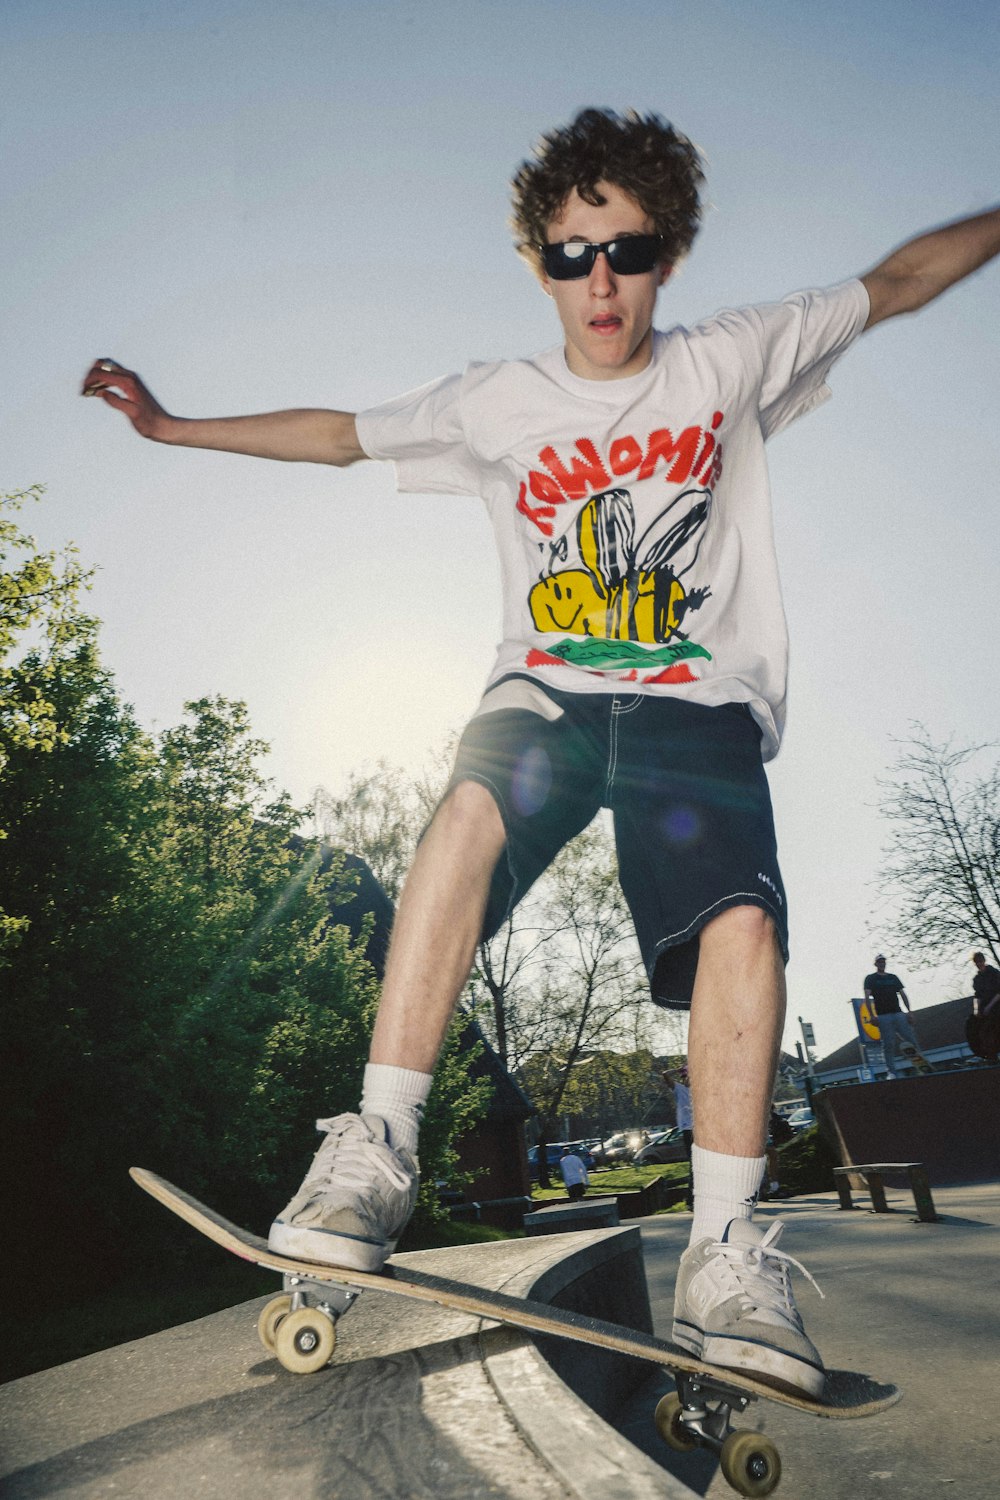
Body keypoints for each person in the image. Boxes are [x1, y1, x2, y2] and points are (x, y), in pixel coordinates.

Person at [81, 108, 1000, 1399]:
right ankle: (379, 1151)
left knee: (745, 926)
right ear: (541, 263)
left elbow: (898, 285)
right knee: (462, 815)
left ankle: (730, 1254)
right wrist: (175, 431)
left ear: (665, 252)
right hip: (550, 701)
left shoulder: (731, 359)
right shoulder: (496, 403)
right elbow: (343, 435)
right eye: (571, 257)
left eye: (623, 252)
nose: (600, 285)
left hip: (695, 708)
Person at [863, 955, 932, 1077]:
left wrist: (909, 1012)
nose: (882, 964)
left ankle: (922, 1066)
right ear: (876, 964)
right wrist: (872, 1015)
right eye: (879, 962)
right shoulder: (871, 978)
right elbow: (867, 997)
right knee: (888, 1044)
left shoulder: (893, 978)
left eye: (883, 962)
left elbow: (902, 994)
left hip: (898, 1013)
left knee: (911, 1040)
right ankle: (891, 1072)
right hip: (883, 1015)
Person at [664, 1064, 693, 1208]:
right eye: (686, 1078)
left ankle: (692, 1198)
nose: (689, 1081)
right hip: (688, 1130)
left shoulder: (698, 1091)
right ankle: (690, 1199)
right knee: (694, 1164)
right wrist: (678, 1070)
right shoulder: (678, 1089)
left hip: (700, 1130)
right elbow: (665, 1075)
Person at [968, 951, 1000, 1063]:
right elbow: (977, 996)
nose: (979, 964)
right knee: (971, 1023)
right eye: (977, 963)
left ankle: (993, 1052)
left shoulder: (994, 973)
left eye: (980, 962)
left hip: (996, 1003)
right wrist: (976, 1010)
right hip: (985, 1006)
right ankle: (980, 1053)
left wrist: (990, 1006)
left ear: (984, 961)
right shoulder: (977, 979)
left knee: (989, 1024)